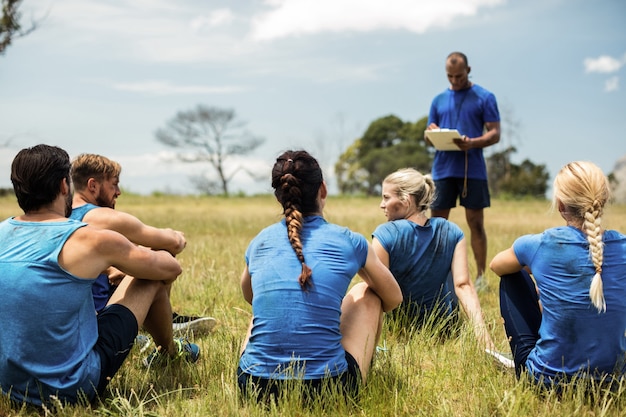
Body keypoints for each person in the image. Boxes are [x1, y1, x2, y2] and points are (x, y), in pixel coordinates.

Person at [0, 145, 199, 407]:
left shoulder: (3, 232)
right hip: (72, 387)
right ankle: (169, 352)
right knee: (151, 276)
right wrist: (147, 256)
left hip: (9, 388)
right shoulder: (88, 238)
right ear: (63, 185)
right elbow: (170, 268)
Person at [237, 150, 402, 401]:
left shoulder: (259, 241)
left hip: (253, 389)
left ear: (279, 195)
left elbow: (249, 296)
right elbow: (393, 298)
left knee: (263, 308)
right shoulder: (349, 241)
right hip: (329, 389)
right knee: (366, 293)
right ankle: (366, 359)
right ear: (322, 189)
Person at [490, 161, 626, 385]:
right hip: (613, 383)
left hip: (547, 381)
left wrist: (537, 274)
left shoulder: (541, 244)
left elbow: (497, 265)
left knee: (512, 275)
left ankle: (536, 361)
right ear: (603, 201)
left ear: (561, 206)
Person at [69, 153, 216, 337]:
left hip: (71, 321)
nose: (118, 191)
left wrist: (113, 268)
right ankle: (165, 326)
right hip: (98, 319)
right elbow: (173, 243)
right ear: (93, 185)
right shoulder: (103, 217)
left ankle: (155, 321)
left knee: (134, 258)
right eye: (114, 184)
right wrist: (176, 236)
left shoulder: (62, 216)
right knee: (159, 255)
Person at [372, 168, 494, 350]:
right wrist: (487, 343)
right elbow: (464, 286)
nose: (382, 205)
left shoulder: (385, 233)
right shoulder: (452, 231)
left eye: (386, 198)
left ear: (405, 200)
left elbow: (376, 292)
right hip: (445, 328)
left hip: (401, 328)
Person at [425, 51, 501, 292]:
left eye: (459, 76)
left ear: (468, 70)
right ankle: (435, 276)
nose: (455, 81)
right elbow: (428, 138)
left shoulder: (485, 97)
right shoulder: (437, 100)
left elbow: (495, 133)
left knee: (476, 224)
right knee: (436, 224)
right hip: (443, 169)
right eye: (450, 76)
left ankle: (480, 278)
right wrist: (432, 131)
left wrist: (473, 142)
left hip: (473, 170)